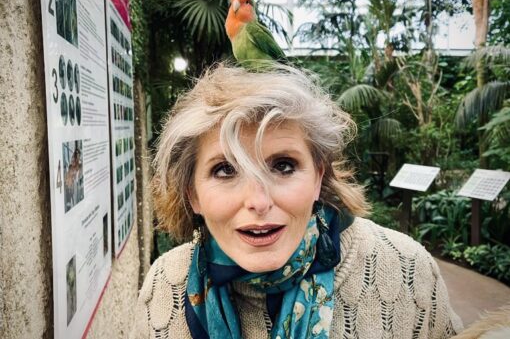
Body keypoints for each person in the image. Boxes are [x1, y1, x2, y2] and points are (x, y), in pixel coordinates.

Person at [133, 63, 463, 339]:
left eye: (284, 166)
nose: (258, 202)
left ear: (319, 177)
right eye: (225, 170)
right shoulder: (168, 285)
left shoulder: (406, 269)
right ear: (192, 195)